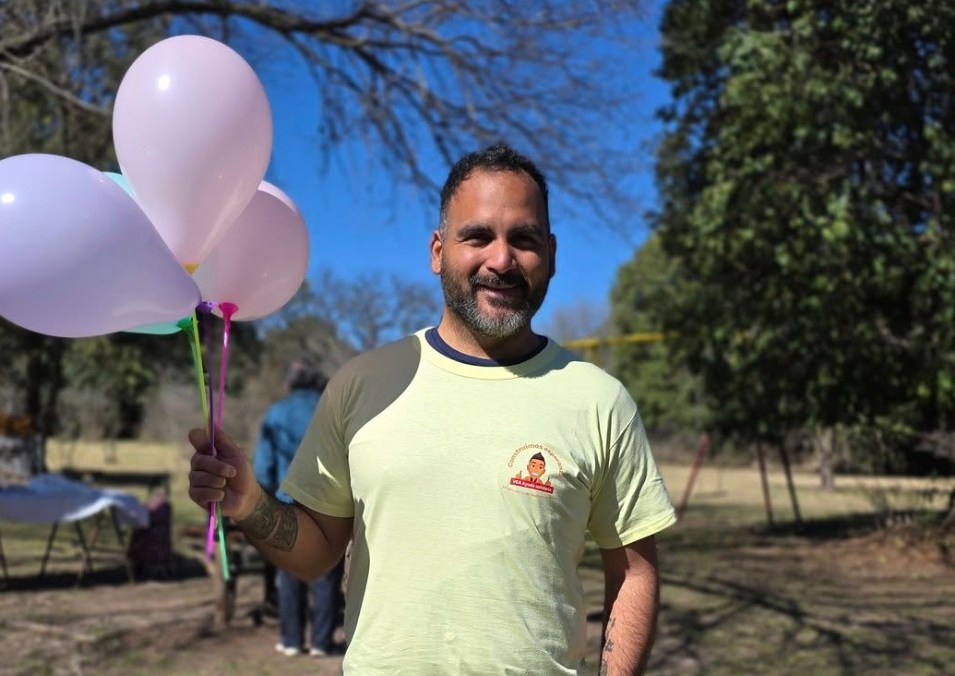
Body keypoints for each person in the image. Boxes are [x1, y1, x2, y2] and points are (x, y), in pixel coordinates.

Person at [188, 143, 678, 675]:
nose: (501, 259)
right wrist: (248, 503)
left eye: (524, 239)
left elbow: (633, 572)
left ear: (552, 254)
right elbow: (318, 551)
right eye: (478, 236)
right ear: (438, 251)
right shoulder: (362, 384)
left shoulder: (598, 400)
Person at [251, 356, 342, 657]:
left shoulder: (276, 414)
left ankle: (291, 640)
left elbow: (263, 469)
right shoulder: (332, 410)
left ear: (289, 384)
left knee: (290, 570)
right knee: (326, 572)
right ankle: (321, 641)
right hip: (329, 503)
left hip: (287, 501)